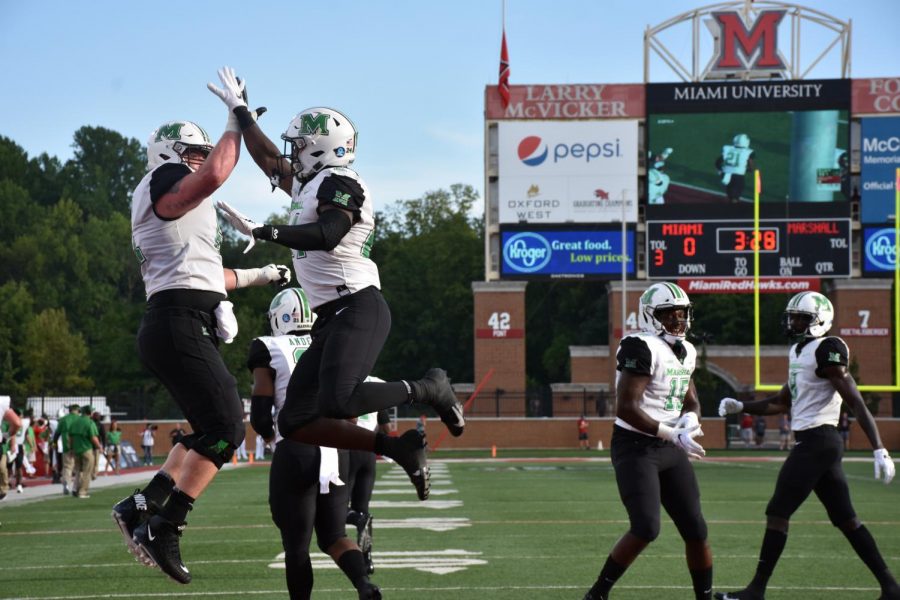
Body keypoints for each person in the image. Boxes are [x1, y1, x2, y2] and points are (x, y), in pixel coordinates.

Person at [209, 66, 465, 502]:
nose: (292, 153)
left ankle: (430, 389)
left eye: (300, 146)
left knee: (342, 399)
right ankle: (397, 448)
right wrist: (242, 114)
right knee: (295, 421)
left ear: (321, 149)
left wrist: (266, 232)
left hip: (358, 305)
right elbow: (270, 161)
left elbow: (328, 235)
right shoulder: (311, 184)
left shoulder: (342, 182)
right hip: (332, 314)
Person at [111, 93, 292, 585]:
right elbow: (215, 173)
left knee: (202, 430)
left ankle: (141, 504)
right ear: (168, 154)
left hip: (178, 318)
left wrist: (262, 276)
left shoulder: (175, 206)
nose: (201, 159)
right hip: (177, 321)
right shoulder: (162, 181)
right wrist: (236, 123)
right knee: (228, 429)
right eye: (192, 151)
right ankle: (166, 526)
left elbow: (206, 275)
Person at [716, 291, 900, 600]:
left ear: (819, 321)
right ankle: (892, 588)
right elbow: (781, 403)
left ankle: (756, 591)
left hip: (818, 440)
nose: (794, 322)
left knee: (778, 511)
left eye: (801, 317)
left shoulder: (828, 348)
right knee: (846, 519)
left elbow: (854, 399)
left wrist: (878, 447)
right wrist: (741, 407)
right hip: (818, 443)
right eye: (793, 316)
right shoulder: (799, 351)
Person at [582, 282, 712, 600]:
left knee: (696, 530)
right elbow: (626, 407)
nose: (678, 321)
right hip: (636, 445)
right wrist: (672, 433)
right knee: (646, 528)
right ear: (651, 317)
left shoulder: (687, 350)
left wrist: (691, 419)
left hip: (670, 445)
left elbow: (690, 399)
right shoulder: (639, 345)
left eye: (682, 315)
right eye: (669, 315)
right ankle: (597, 594)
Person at [249, 287, 381, 599]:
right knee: (335, 535)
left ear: (280, 317)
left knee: (296, 547)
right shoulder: (335, 343)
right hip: (336, 450)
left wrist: (272, 440)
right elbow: (349, 412)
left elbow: (260, 416)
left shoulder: (268, 347)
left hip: (296, 447)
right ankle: (364, 584)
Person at [346, 406, 392, 575]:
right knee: (363, 509)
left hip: (348, 448)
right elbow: (386, 428)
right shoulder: (376, 389)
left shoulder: (346, 385)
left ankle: (357, 519)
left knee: (334, 508)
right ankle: (367, 560)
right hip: (369, 452)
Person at [68, 405, 101, 499]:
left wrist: (71, 449)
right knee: (87, 472)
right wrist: (100, 447)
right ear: (90, 412)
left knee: (78, 471)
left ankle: (75, 489)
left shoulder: (75, 422)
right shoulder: (90, 422)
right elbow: (93, 437)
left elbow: (70, 437)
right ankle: (82, 492)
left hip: (76, 449)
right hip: (86, 449)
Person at [715, 133, 755, 202]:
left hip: (726, 174)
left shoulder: (727, 149)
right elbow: (751, 168)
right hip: (738, 176)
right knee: (736, 195)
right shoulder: (748, 152)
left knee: (730, 193)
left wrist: (720, 171)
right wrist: (745, 169)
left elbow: (717, 163)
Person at [53, 404, 80, 495]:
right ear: (76, 410)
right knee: (79, 468)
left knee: (67, 467)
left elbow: (57, 434)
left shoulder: (63, 419)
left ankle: (66, 484)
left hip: (66, 446)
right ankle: (76, 487)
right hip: (79, 447)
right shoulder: (80, 419)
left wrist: (54, 443)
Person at [0, 395, 22, 500]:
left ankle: (4, 488)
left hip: (3, 446)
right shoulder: (2, 401)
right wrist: (7, 436)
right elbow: (17, 423)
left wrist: (11, 442)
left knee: (3, 468)